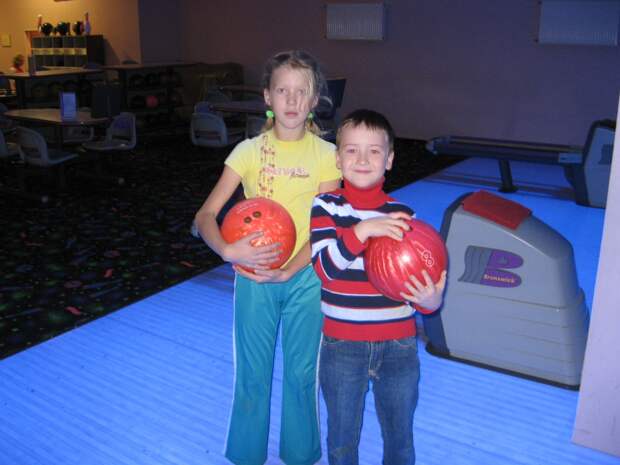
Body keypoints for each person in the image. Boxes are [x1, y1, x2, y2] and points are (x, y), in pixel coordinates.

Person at [194, 50, 341, 465]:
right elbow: (204, 216)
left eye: (301, 92)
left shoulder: (327, 155)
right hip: (254, 277)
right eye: (282, 91)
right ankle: (246, 455)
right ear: (267, 97)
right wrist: (227, 250)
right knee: (252, 375)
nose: (291, 100)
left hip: (306, 278)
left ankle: (300, 455)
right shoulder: (247, 151)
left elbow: (325, 229)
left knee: (301, 375)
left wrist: (290, 270)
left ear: (314, 100)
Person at [310, 109, 447, 465]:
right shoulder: (326, 207)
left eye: (374, 151)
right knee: (342, 441)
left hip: (399, 346)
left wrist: (431, 300)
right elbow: (324, 269)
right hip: (342, 345)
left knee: (400, 440)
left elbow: (417, 284)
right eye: (351, 150)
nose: (362, 159)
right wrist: (362, 231)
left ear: (389, 160)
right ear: (337, 159)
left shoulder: (404, 215)